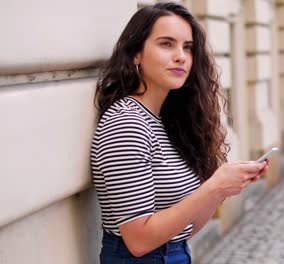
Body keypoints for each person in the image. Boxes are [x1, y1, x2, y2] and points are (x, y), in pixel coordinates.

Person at [90, 2, 269, 263]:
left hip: (175, 254)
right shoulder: (127, 123)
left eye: (188, 47)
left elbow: (185, 229)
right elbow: (138, 241)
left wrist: (221, 188)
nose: (181, 56)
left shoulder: (167, 121)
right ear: (136, 54)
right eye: (166, 44)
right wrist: (213, 187)